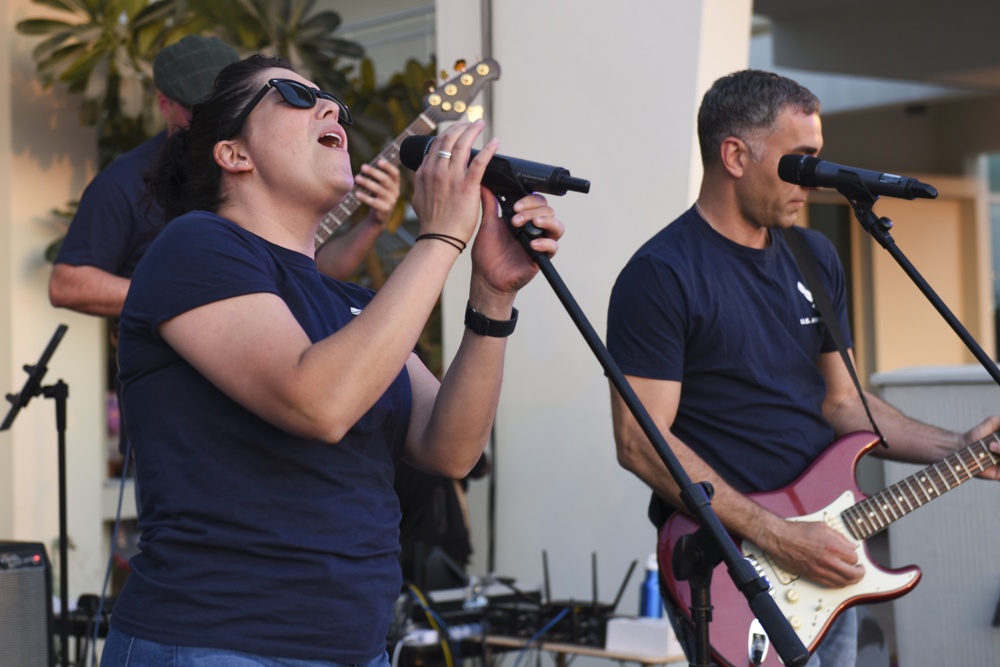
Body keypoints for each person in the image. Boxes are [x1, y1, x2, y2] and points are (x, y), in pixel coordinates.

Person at [100, 53, 563, 666]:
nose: (329, 109)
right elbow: (318, 402)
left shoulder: (351, 305)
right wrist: (442, 238)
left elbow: (451, 448)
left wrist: (492, 294)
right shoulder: (194, 246)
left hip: (355, 648)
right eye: (293, 96)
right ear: (233, 153)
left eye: (335, 105)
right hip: (216, 641)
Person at [606, 69, 1000, 666]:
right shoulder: (662, 274)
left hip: (833, 553)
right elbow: (641, 442)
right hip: (737, 569)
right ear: (735, 155)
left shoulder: (814, 256)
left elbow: (841, 404)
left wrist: (960, 449)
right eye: (800, 161)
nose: (812, 180)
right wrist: (779, 536)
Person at [49, 34, 398, 321]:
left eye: (218, 104)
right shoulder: (123, 183)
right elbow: (68, 284)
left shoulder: (273, 195)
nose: (204, 117)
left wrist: (370, 225)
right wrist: (199, 293)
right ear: (163, 104)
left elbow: (310, 273)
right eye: (192, 106)